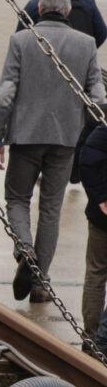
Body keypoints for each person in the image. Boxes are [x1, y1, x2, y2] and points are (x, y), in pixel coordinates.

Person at [0, 0, 107, 301]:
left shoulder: (21, 40)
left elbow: (4, 96)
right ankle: (41, 284)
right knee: (51, 209)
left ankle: (24, 248)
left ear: (39, 9)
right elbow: (97, 97)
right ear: (68, 11)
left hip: (25, 137)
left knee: (17, 198)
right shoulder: (85, 45)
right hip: (65, 140)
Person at [77, 110, 107, 343]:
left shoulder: (101, 119)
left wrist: (99, 197)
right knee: (96, 272)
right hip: (102, 215)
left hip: (100, 214)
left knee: (96, 273)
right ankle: (96, 338)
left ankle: (92, 336)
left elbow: (87, 156)